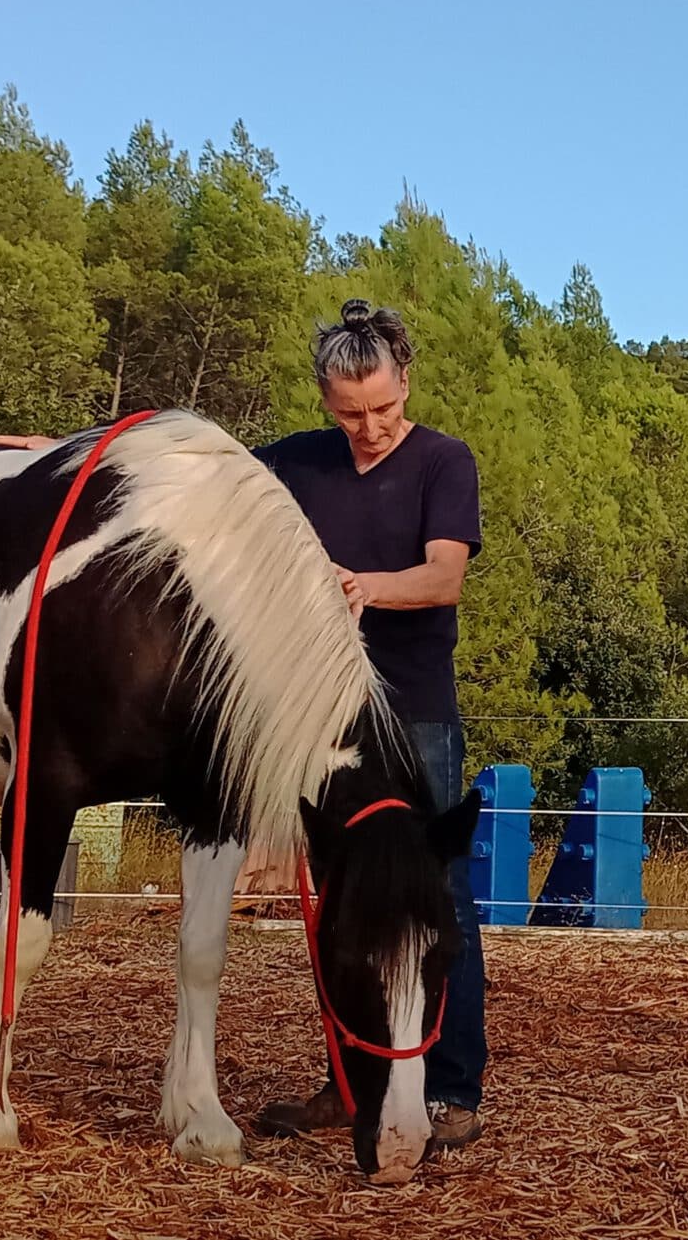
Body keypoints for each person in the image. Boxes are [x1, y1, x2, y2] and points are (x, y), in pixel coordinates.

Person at [251, 299, 487, 1149]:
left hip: (414, 711)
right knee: (340, 902)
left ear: (405, 382)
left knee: (436, 894)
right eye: (350, 413)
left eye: (382, 407)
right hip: (320, 719)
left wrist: (359, 587)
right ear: (326, 400)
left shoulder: (444, 462)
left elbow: (444, 578)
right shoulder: (294, 462)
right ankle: (351, 1082)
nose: (370, 427)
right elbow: (207, 481)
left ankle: (453, 1086)